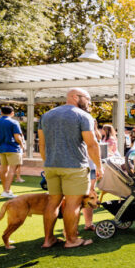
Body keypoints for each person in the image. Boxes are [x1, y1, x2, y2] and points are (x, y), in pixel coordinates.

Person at [38, 88, 101, 248]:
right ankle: (72, 240)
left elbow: (42, 145)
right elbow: (92, 144)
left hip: (51, 166)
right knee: (73, 204)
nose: (88, 103)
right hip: (75, 166)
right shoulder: (83, 116)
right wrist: (99, 166)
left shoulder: (46, 116)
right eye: (87, 99)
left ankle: (48, 240)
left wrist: (48, 163)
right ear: (75, 97)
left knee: (53, 203)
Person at [0, 106, 25, 198]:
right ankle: (6, 191)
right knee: (12, 170)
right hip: (13, 148)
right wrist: (22, 145)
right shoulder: (14, 122)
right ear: (12, 113)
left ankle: (6, 190)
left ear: (1, 112)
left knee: (4, 169)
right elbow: (17, 137)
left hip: (2, 148)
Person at [82, 118, 102, 231]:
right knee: (86, 195)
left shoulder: (93, 135)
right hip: (87, 168)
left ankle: (88, 224)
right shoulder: (85, 136)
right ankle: (88, 224)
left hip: (91, 168)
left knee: (90, 195)